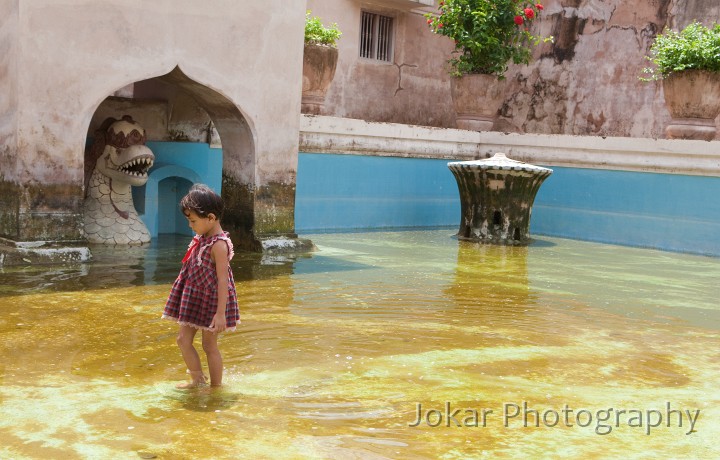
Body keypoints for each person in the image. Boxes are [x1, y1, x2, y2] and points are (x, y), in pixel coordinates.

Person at [162, 184, 240, 388]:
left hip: (213, 302)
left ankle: (216, 387)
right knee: (182, 340)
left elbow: (224, 281)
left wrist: (220, 314)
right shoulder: (201, 238)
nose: (190, 225)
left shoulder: (219, 245)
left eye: (193, 220)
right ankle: (197, 380)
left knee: (209, 345)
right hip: (194, 297)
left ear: (211, 218)